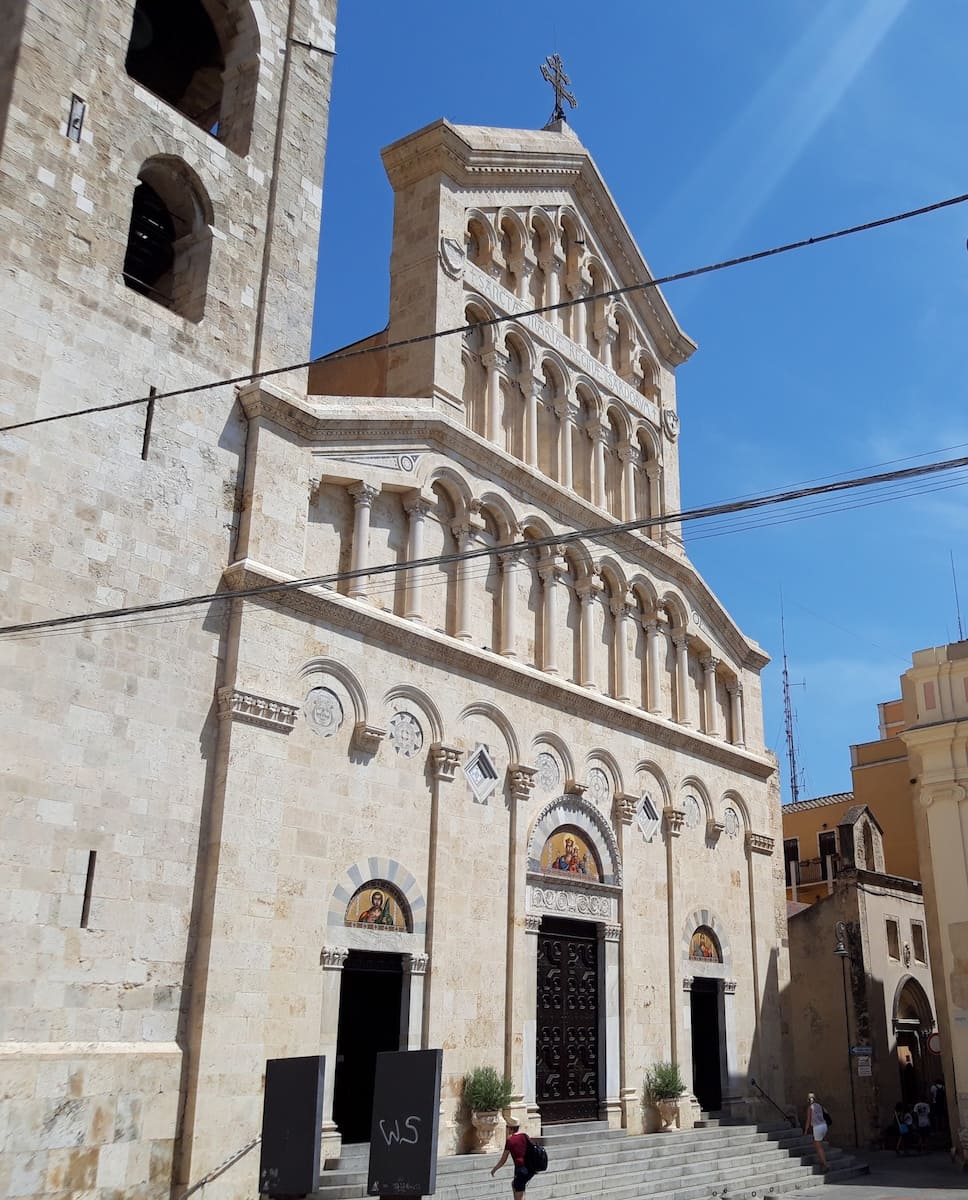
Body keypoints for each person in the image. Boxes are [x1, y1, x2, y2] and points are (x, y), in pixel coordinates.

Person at [491, 1119, 533, 1200]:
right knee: (516, 1186)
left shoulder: (510, 1141)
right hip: (529, 1168)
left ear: (510, 1129)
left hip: (520, 1169)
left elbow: (503, 1159)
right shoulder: (524, 1136)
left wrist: (495, 1169)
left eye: (507, 1127)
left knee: (518, 1195)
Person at [803, 1093, 828, 1171]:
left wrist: (806, 1130)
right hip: (824, 1125)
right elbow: (826, 1113)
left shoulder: (810, 1108)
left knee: (819, 1147)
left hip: (817, 1127)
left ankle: (825, 1164)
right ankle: (821, 1160)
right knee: (816, 1143)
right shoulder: (819, 1105)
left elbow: (808, 1120)